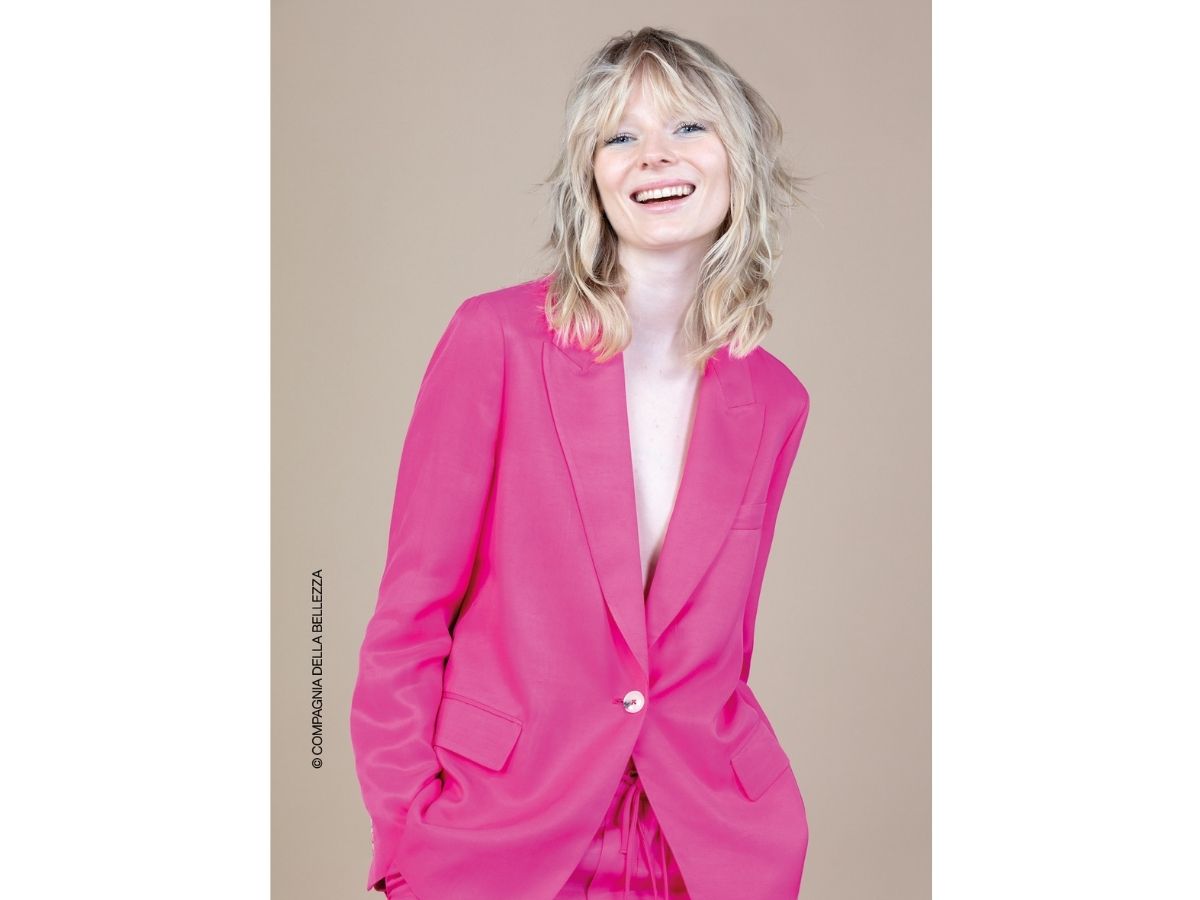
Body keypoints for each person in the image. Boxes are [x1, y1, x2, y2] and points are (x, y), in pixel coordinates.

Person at [351, 26, 814, 900]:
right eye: (620, 136)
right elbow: (409, 616)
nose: (655, 156)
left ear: (739, 157)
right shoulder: (495, 340)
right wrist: (406, 831)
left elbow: (723, 653)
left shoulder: (777, 400)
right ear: (592, 175)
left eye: (688, 126)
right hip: (505, 828)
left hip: (705, 844)